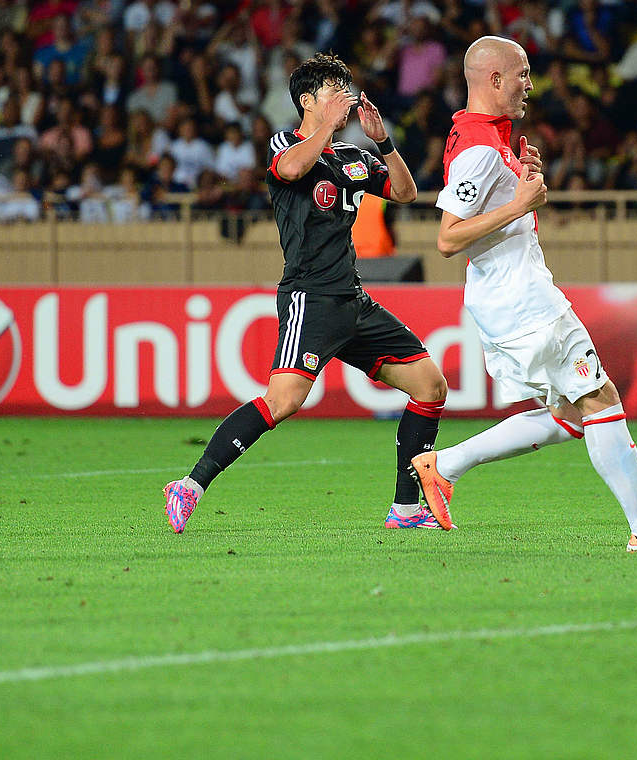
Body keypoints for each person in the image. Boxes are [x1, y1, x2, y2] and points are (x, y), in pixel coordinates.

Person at [410, 36, 637, 553]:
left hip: (509, 297)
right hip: (524, 302)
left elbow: (488, 216)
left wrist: (521, 186)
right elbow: (447, 237)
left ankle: (444, 466)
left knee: (573, 415)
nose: (531, 84)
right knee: (599, 398)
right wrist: (520, 201)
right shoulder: (479, 148)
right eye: (522, 74)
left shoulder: (484, 136)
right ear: (495, 79)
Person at [163, 53, 448, 533]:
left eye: (346, 90)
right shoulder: (286, 142)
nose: (345, 98)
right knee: (283, 401)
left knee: (430, 386)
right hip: (309, 298)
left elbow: (405, 193)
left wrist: (385, 142)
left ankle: (405, 509)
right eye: (335, 90)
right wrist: (328, 128)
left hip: (353, 300)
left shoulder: (355, 158)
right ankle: (190, 485)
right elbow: (292, 170)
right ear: (308, 100)